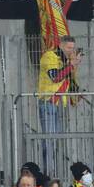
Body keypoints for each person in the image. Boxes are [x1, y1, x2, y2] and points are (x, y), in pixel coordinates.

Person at [36, 36, 81, 175]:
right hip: (49, 101)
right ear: (60, 45)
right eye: (68, 48)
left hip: (61, 104)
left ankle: (55, 172)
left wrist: (73, 66)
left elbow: (70, 81)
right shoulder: (49, 56)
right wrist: (70, 65)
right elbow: (55, 77)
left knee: (57, 141)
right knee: (49, 141)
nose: (70, 51)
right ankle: (48, 172)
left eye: (72, 48)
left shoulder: (66, 61)